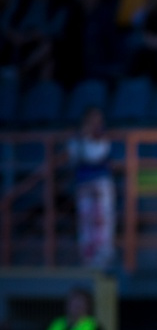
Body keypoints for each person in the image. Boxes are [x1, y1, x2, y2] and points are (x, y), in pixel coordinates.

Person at [66, 106, 116, 269]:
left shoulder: (103, 138)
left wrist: (90, 139)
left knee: (103, 219)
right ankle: (87, 257)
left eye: (98, 120)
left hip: (101, 184)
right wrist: (83, 138)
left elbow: (97, 155)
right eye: (92, 120)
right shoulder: (77, 139)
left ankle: (104, 255)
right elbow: (74, 158)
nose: (95, 123)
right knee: (86, 221)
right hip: (83, 184)